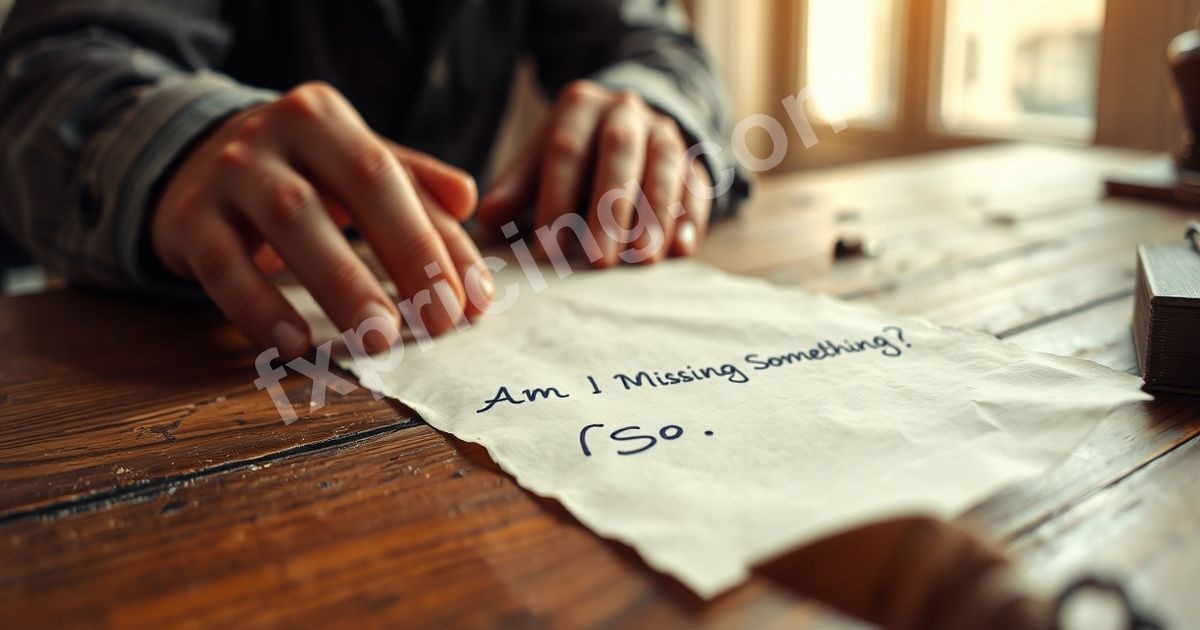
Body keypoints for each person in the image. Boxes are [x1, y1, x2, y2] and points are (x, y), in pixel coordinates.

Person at [0, 1, 747, 359]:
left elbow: (653, 38)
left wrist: (653, 106)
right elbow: (44, 73)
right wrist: (178, 144)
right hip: (178, 347)